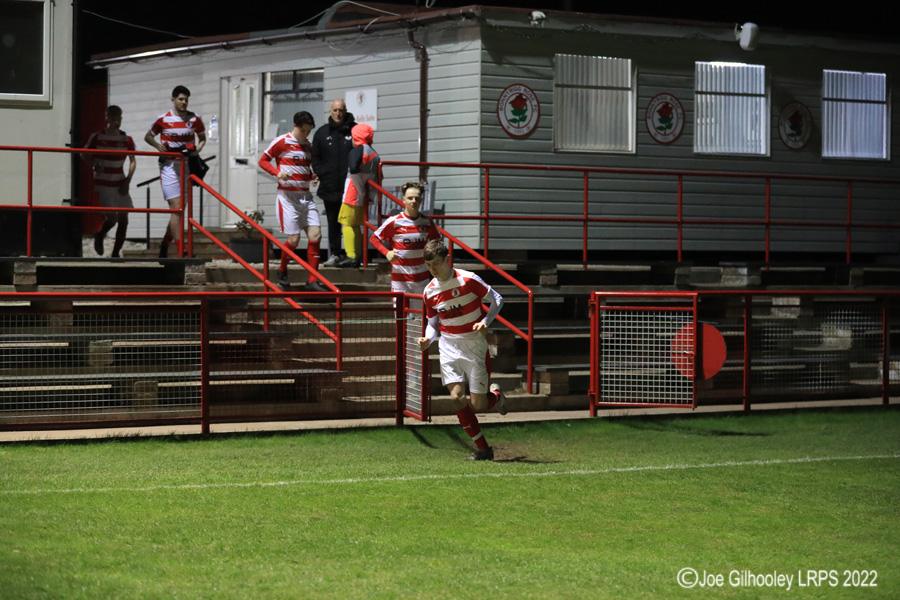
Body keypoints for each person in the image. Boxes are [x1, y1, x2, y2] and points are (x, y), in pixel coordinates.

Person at [417, 240, 507, 461]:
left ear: (448, 260)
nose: (433, 269)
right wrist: (428, 339)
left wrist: (486, 321)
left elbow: (497, 298)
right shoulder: (429, 292)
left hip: (474, 345)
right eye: (429, 265)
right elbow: (433, 323)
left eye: (437, 263)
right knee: (457, 396)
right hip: (448, 346)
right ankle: (484, 450)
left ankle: (496, 396)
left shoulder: (468, 280)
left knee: (479, 404)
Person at [258, 111, 328, 292]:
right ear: (295, 126)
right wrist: (276, 172)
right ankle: (282, 269)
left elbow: (307, 166)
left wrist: (313, 176)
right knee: (294, 240)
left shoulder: (309, 146)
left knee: (316, 236)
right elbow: (263, 161)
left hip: (305, 195)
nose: (306, 135)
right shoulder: (282, 141)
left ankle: (312, 280)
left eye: (309, 132)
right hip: (287, 197)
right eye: (304, 131)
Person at [144, 85, 206, 258]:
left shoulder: (194, 119)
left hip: (186, 165)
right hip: (169, 166)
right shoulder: (163, 119)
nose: (184, 102)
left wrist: (197, 150)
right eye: (180, 99)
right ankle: (182, 251)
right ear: (173, 100)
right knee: (176, 208)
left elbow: (202, 138)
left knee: (180, 210)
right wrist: (158, 146)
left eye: (186, 99)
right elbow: (148, 136)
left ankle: (165, 245)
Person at [82, 105, 137, 258]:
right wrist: (94, 164)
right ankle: (100, 234)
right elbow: (83, 154)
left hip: (119, 180)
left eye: (118, 117)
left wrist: (127, 180)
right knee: (112, 218)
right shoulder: (97, 137)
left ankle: (115, 253)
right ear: (106, 118)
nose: (115, 120)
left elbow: (133, 161)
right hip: (104, 182)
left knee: (124, 218)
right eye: (112, 117)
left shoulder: (126, 138)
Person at [370, 181, 441, 294]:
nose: (413, 201)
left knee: (420, 312)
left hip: (422, 279)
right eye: (410, 198)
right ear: (403, 200)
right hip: (400, 280)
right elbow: (374, 239)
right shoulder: (394, 221)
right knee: (401, 312)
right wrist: (387, 252)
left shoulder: (427, 222)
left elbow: (437, 242)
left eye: (417, 198)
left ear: (421, 201)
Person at [312, 99, 356, 265]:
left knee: (351, 222)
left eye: (341, 110)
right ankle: (335, 253)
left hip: (351, 186)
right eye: (335, 110)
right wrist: (321, 173)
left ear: (345, 111)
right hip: (330, 185)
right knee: (333, 222)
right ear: (330, 112)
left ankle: (353, 255)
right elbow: (315, 157)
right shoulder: (322, 133)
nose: (338, 113)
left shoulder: (354, 130)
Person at [335, 123, 379, 269]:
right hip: (365, 196)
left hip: (352, 193)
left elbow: (354, 169)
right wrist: (370, 194)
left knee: (347, 224)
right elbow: (377, 177)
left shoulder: (357, 151)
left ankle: (351, 256)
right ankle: (357, 255)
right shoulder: (374, 154)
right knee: (356, 226)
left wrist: (360, 188)